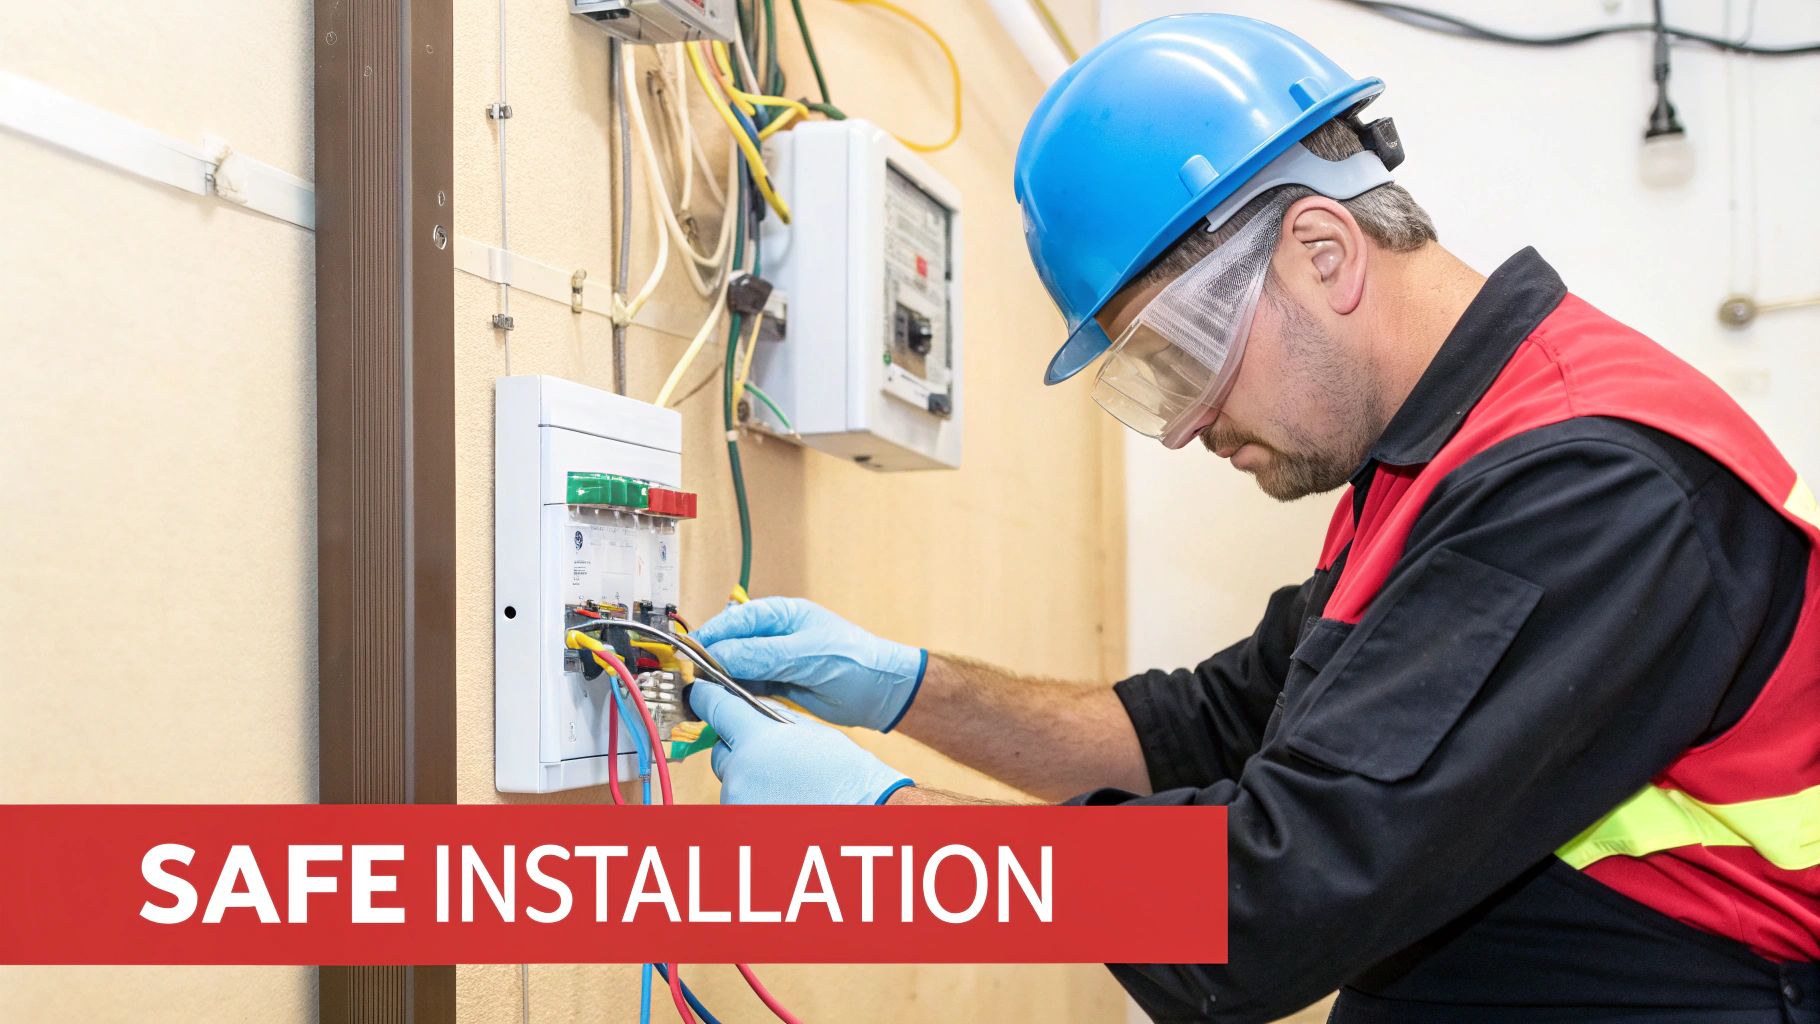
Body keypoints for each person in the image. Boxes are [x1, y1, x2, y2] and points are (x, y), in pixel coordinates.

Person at [685, 14, 1820, 1023]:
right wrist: (905, 687)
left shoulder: (1586, 487)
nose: (1181, 426)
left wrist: (887, 835)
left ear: (1320, 252)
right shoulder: (1434, 462)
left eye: (1181, 360)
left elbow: (1260, 910)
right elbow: (1199, 727)